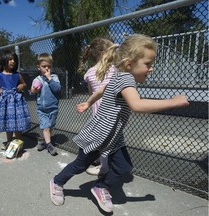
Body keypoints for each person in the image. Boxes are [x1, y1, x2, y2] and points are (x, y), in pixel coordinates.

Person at [49, 34, 189, 213]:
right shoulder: (126, 78)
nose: (151, 69)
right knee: (81, 164)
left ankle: (101, 187)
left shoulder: (119, 74)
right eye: (147, 64)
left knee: (124, 167)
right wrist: (173, 102)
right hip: (99, 133)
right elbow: (137, 105)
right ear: (130, 64)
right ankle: (57, 182)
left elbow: (102, 89)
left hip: (113, 134)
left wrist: (89, 102)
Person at [78, 37, 117, 175]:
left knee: (103, 137)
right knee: (110, 137)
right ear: (104, 53)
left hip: (97, 109)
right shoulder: (115, 69)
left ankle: (104, 163)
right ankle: (105, 166)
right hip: (112, 108)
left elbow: (91, 94)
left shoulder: (89, 72)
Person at [0, 52, 31, 150]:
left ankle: (18, 142)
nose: (13, 61)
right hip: (5, 102)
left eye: (14, 60)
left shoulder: (18, 75)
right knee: (8, 122)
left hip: (17, 102)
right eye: (10, 59)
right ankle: (9, 142)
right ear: (4, 60)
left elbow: (24, 84)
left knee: (17, 122)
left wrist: (22, 85)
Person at [30, 53, 61, 156]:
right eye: (44, 66)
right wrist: (34, 90)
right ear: (38, 67)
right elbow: (32, 91)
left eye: (49, 66)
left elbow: (57, 89)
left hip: (53, 108)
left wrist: (49, 79)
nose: (47, 69)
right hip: (41, 109)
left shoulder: (54, 77)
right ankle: (49, 145)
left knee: (50, 126)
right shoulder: (37, 79)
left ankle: (43, 141)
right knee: (46, 127)